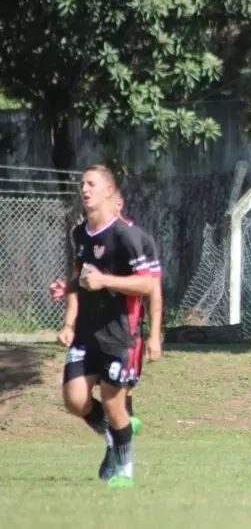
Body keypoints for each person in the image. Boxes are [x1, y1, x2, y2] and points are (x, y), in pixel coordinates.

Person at [49, 190, 163, 481]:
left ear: (117, 201)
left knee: (117, 404)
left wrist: (154, 336)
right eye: (83, 183)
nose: (85, 190)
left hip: (123, 334)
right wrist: (69, 318)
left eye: (92, 184)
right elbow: (83, 279)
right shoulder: (81, 235)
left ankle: (123, 465)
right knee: (76, 400)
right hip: (88, 334)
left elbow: (151, 288)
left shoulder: (134, 238)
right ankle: (116, 435)